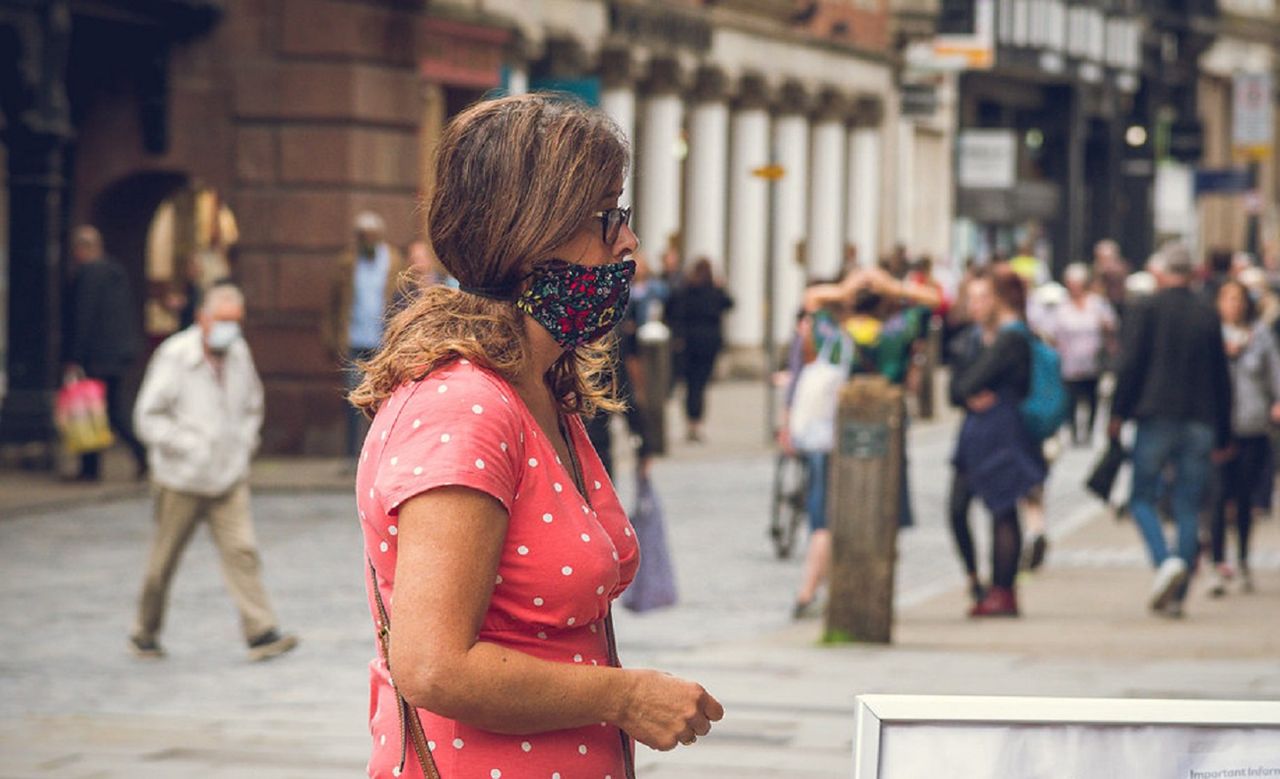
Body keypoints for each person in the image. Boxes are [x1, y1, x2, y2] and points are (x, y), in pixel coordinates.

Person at [347, 95, 722, 779]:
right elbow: (433, 665)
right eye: (606, 217)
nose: (627, 241)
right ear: (530, 234)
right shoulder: (465, 406)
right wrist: (626, 694)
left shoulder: (538, 388)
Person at [129, 284, 298, 661]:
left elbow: (252, 403)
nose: (230, 330)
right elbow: (147, 417)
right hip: (181, 478)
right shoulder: (175, 355)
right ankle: (144, 631)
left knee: (243, 551)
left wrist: (244, 444)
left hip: (228, 475)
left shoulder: (238, 353)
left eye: (236, 322)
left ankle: (261, 632)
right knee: (163, 560)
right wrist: (186, 446)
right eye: (223, 322)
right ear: (202, 319)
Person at [1109, 241, 1233, 619]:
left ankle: (1166, 564)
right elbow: (1220, 376)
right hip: (1200, 419)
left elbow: (1130, 364)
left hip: (1156, 415)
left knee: (1141, 497)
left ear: (1162, 273)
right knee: (1187, 503)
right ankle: (1178, 588)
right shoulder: (1206, 313)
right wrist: (1225, 432)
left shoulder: (1146, 308)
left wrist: (1118, 412)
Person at [950, 265, 1045, 617]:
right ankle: (978, 579)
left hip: (1002, 431)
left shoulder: (1012, 337)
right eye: (971, 297)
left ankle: (1003, 590)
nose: (975, 305)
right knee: (958, 508)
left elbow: (969, 382)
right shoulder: (972, 339)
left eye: (983, 297)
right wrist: (966, 391)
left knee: (1002, 508)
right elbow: (957, 389)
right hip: (975, 433)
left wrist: (968, 388)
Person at [1210, 280, 1280, 596]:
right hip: (1218, 426)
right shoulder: (1211, 334)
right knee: (1216, 495)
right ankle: (1216, 561)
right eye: (1227, 298)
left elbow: (1273, 373)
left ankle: (1243, 558)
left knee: (1243, 496)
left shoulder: (1260, 335)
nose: (1233, 305)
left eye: (1237, 299)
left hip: (1252, 424)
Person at [63, 225, 148, 481]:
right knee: (107, 410)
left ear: (83, 248)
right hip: (116, 355)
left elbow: (84, 317)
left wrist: (75, 356)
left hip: (96, 357)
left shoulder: (90, 273)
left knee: (95, 411)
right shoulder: (115, 270)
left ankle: (93, 467)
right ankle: (135, 454)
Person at [325, 211, 405, 461]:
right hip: (355, 340)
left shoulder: (392, 261)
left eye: (371, 236)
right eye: (363, 237)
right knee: (353, 396)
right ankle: (351, 455)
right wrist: (331, 337)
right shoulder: (347, 262)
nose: (367, 241)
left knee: (382, 399)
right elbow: (334, 304)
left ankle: (378, 453)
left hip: (383, 342)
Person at [1050, 263, 1118, 447]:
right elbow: (1053, 333)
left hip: (1092, 362)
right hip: (1069, 361)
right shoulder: (1062, 306)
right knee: (1071, 399)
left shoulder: (1097, 303)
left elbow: (1111, 326)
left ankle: (1087, 432)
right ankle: (1073, 432)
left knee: (1092, 398)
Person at [667, 257, 734, 443]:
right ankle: (696, 423)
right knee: (700, 385)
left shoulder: (686, 290)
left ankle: (690, 422)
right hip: (708, 344)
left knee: (690, 385)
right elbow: (729, 303)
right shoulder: (713, 291)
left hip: (688, 343)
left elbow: (672, 311)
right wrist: (722, 287)